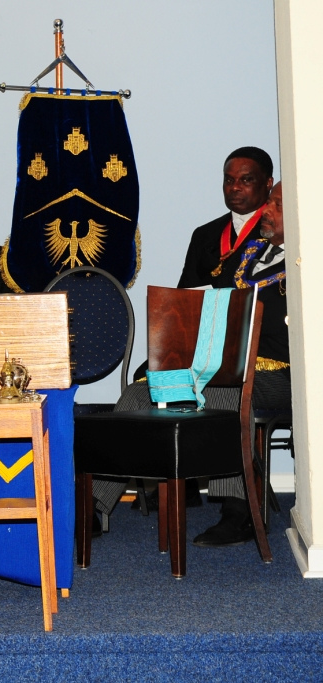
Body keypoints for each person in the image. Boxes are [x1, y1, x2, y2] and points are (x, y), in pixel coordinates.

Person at [92, 182, 291, 546]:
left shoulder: (308, 265)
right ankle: (95, 505)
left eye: (277, 205)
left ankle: (239, 512)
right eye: (270, 203)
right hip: (219, 362)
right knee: (142, 391)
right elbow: (207, 301)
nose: (266, 210)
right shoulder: (248, 254)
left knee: (224, 389)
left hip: (278, 371)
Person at [177, 147, 273, 288]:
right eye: (229, 180)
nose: (234, 187)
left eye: (246, 180)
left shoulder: (279, 229)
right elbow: (184, 295)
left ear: (268, 183)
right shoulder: (204, 235)